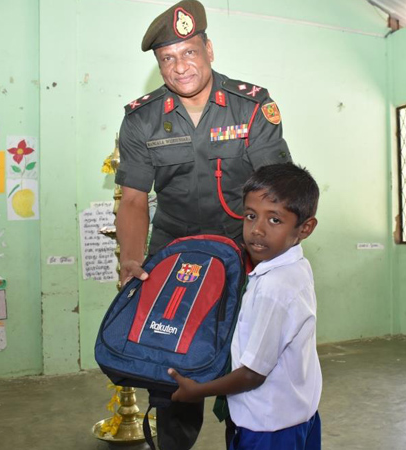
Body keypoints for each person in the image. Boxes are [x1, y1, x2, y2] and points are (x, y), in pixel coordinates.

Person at [113, 1, 291, 448]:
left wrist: (274, 266)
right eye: (168, 58)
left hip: (241, 253)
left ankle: (244, 435)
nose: (180, 66)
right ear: (159, 66)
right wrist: (133, 259)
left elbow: (275, 189)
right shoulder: (141, 118)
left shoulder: (250, 107)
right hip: (173, 256)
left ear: (209, 49)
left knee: (248, 363)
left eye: (188, 52)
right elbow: (134, 198)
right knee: (169, 370)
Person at [168, 163, 322, 450]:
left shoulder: (274, 286)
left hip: (268, 428)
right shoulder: (297, 266)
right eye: (251, 216)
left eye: (274, 220)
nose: (257, 230)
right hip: (298, 414)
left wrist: (198, 391)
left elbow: (253, 374)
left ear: (305, 228)